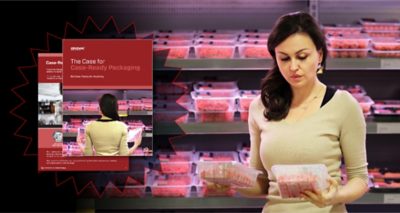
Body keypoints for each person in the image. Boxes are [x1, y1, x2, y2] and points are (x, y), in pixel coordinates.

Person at [238, 11, 369, 212]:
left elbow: (359, 179)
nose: (293, 67)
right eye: (284, 58)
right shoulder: (260, 107)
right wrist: (232, 181)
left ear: (320, 55)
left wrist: (335, 196)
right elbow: (262, 182)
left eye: (302, 57)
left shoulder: (343, 105)